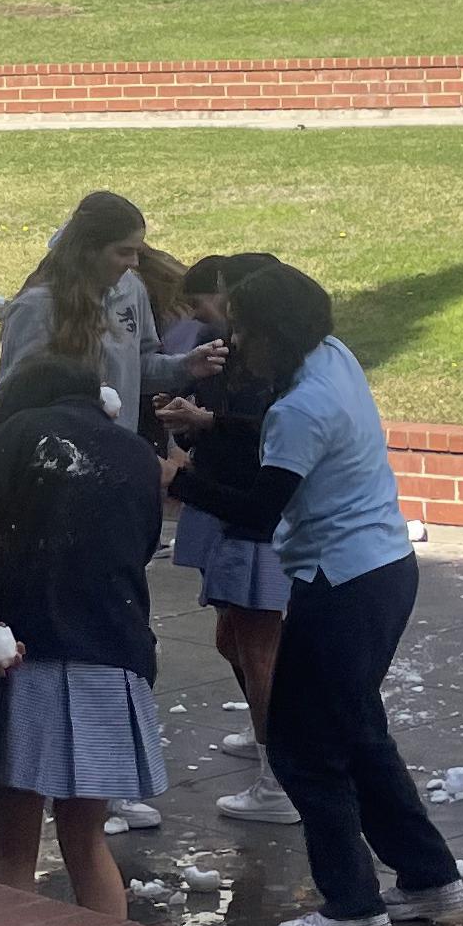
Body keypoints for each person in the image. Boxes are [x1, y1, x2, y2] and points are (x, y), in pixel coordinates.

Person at [164, 261, 463, 926]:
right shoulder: (332, 360)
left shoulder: (304, 406)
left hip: (342, 585)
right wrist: (212, 423)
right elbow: (275, 434)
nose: (235, 341)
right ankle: (427, 873)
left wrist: (180, 481)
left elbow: (262, 510)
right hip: (381, 570)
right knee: (357, 731)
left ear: (270, 331)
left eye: (242, 328)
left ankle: (352, 904)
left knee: (304, 746)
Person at [0, 358, 171, 916]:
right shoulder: (138, 453)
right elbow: (142, 544)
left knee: (13, 854)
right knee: (87, 842)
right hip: (112, 657)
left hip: (25, 657)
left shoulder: (22, 433)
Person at [160, 256, 296, 826]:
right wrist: (206, 422)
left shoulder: (267, 365)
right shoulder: (251, 359)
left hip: (249, 523)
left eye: (207, 304)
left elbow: (267, 433)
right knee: (233, 639)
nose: (206, 319)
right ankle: (273, 744)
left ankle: (279, 774)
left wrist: (187, 467)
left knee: (257, 648)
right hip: (237, 516)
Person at [0, 190, 210, 431]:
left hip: (117, 450)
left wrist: (185, 367)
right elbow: (11, 398)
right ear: (88, 250)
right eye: (124, 252)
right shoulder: (37, 307)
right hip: (60, 456)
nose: (134, 262)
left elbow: (137, 369)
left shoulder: (132, 289)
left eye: (136, 251)